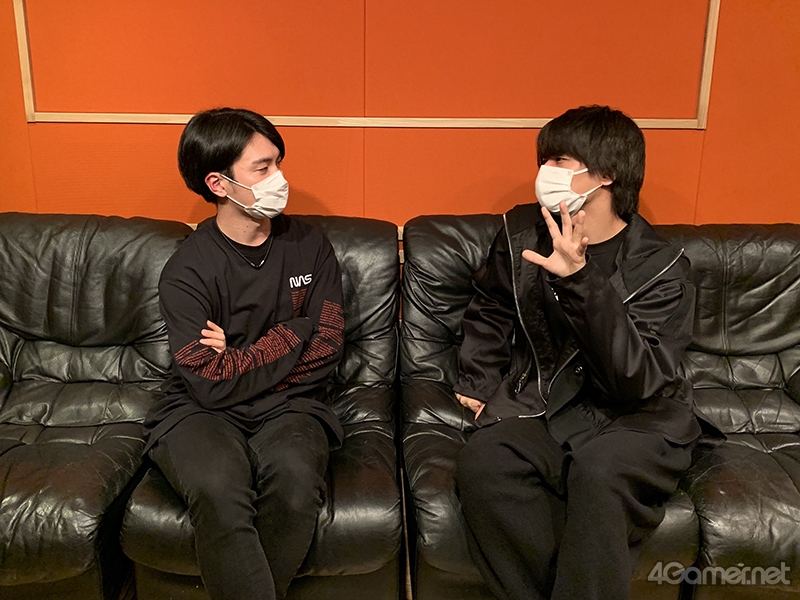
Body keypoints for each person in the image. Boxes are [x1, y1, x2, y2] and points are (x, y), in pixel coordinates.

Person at [453, 105, 704, 600]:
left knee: (599, 471)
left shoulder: (663, 268)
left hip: (638, 417)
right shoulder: (522, 233)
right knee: (485, 461)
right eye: (543, 160)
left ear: (606, 174)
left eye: (560, 161)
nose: (544, 173)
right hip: (548, 403)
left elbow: (636, 378)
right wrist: (479, 379)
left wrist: (581, 280)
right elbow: (492, 305)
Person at [144, 107, 345, 600]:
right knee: (218, 487)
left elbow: (326, 345)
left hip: (293, 405)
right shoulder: (188, 269)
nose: (281, 178)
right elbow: (207, 382)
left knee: (296, 483)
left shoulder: (310, 245)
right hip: (198, 409)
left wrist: (238, 357)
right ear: (219, 183)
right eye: (263, 167)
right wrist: (294, 331)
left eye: (279, 163)